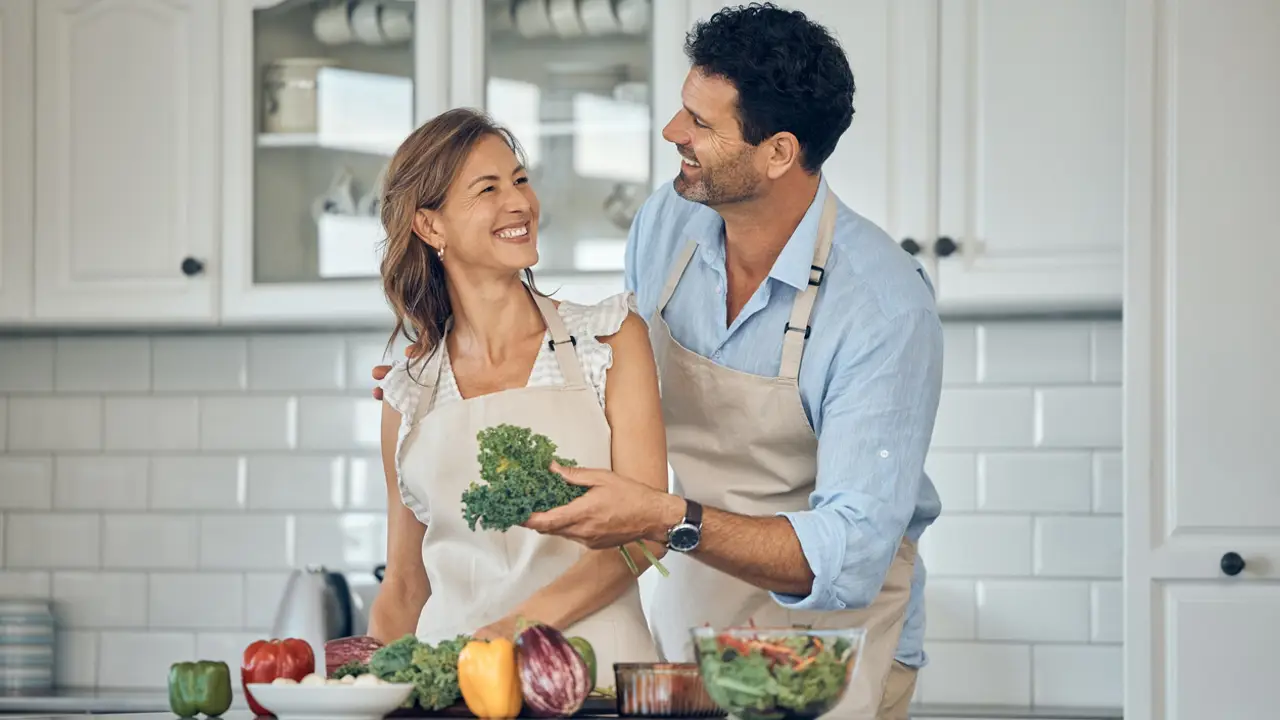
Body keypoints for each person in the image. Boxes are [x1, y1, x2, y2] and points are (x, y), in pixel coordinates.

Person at [373, 4, 943, 717]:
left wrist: (665, 516)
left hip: (826, 642)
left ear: (778, 152)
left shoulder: (882, 309)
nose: (673, 132)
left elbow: (849, 555)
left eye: (701, 124)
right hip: (691, 617)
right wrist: (439, 385)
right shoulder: (668, 224)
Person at [364, 107, 665, 690]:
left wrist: (510, 631)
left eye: (520, 180)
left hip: (595, 676)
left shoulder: (608, 339)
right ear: (431, 227)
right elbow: (403, 584)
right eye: (488, 189)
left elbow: (646, 531)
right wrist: (369, 695)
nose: (520, 204)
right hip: (456, 686)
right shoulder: (409, 390)